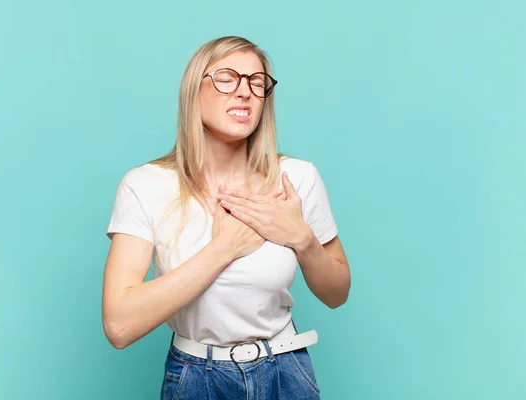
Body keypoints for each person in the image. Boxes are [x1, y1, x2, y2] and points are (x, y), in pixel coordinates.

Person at [102, 36, 351, 399]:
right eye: (226, 78)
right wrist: (224, 248)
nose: (244, 92)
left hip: (285, 371)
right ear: (193, 90)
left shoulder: (295, 179)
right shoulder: (146, 185)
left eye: (257, 82)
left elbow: (337, 293)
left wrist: (302, 239)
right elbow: (119, 325)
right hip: (195, 376)